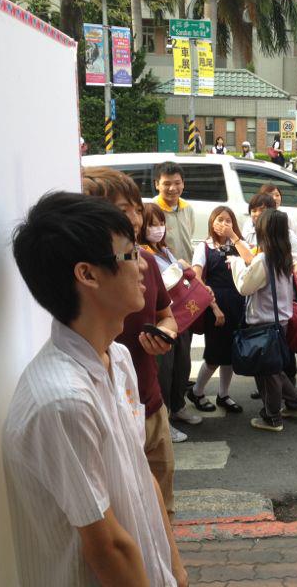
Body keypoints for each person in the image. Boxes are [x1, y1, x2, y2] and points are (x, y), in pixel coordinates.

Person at [6, 192, 187, 586]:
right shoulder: (63, 401)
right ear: (87, 274)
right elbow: (107, 548)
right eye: (130, 254)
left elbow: (142, 476)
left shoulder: (117, 358)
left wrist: (176, 571)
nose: (144, 265)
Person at [82, 167, 182, 517]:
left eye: (138, 209)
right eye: (123, 210)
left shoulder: (148, 263)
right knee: (129, 516)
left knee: (162, 509)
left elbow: (167, 315)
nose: (136, 219)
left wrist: (166, 333)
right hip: (113, 420)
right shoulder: (86, 280)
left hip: (151, 405)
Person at [231, 210, 297, 431]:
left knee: (268, 373)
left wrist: (236, 263)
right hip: (279, 320)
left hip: (263, 322)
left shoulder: (264, 259)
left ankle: (272, 417)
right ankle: (295, 403)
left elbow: (244, 286)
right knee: (273, 368)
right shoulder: (284, 255)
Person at [138, 203, 199, 443]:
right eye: (152, 224)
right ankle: (165, 420)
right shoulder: (143, 255)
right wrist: (178, 269)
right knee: (164, 371)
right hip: (161, 320)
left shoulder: (164, 250)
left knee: (182, 365)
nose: (158, 228)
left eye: (161, 223)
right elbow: (160, 284)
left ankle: (178, 406)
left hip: (181, 317)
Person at [188, 207, 254, 414]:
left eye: (228, 220)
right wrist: (214, 307)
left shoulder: (237, 244)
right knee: (214, 354)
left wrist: (233, 236)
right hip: (215, 304)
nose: (224, 224)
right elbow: (196, 278)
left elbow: (251, 261)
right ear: (212, 222)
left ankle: (223, 394)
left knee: (231, 353)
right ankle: (197, 391)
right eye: (219, 220)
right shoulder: (204, 247)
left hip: (238, 303)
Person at [152, 161, 202, 428]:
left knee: (183, 356)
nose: (172, 188)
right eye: (166, 183)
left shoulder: (187, 209)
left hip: (185, 292)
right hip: (163, 297)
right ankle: (163, 415)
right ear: (157, 184)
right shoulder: (152, 211)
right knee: (164, 361)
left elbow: (187, 245)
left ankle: (179, 405)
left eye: (177, 182)